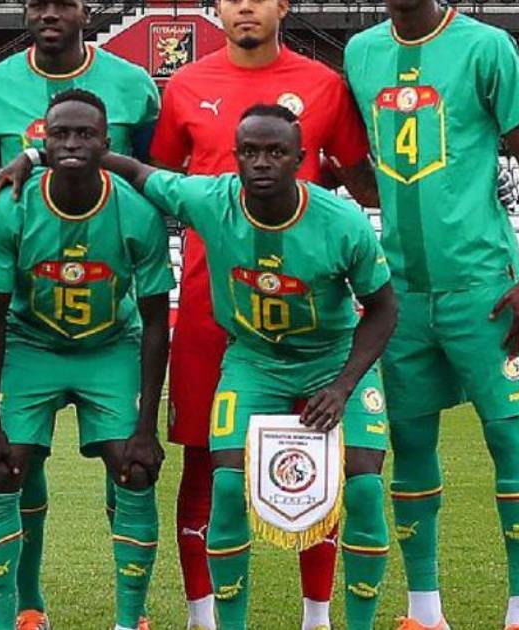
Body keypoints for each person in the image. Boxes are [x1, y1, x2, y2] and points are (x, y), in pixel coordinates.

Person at [0, 104, 399, 630]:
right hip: (255, 359)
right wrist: (34, 156)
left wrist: (343, 387)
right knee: (226, 485)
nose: (262, 162)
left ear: (301, 158)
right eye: (250, 151)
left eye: (276, 152)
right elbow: (131, 168)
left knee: (365, 487)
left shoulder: (341, 222)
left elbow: (384, 308)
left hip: (333, 358)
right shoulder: (209, 199)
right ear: (235, 156)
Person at [146, 1, 378, 627]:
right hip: (210, 309)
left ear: (284, 6)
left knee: (322, 464)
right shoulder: (186, 85)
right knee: (206, 464)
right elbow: (160, 182)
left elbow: (362, 183)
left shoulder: (324, 84)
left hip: (306, 320)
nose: (244, 5)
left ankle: (317, 616)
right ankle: (203, 617)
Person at [344, 2, 519, 628]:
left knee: (506, 433)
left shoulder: (486, 46)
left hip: (481, 284)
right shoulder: (359, 53)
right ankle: (424, 612)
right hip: (401, 291)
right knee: (410, 442)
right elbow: (363, 167)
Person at [0, 2, 158, 626]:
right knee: (3, 466)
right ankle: (17, 613)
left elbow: (156, 319)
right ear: (39, 139)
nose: (72, 144)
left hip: (108, 343)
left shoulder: (138, 210)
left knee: (135, 467)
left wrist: (148, 424)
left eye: (86, 136)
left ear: (107, 141)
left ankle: (130, 619)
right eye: (57, 137)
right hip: (32, 343)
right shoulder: (11, 207)